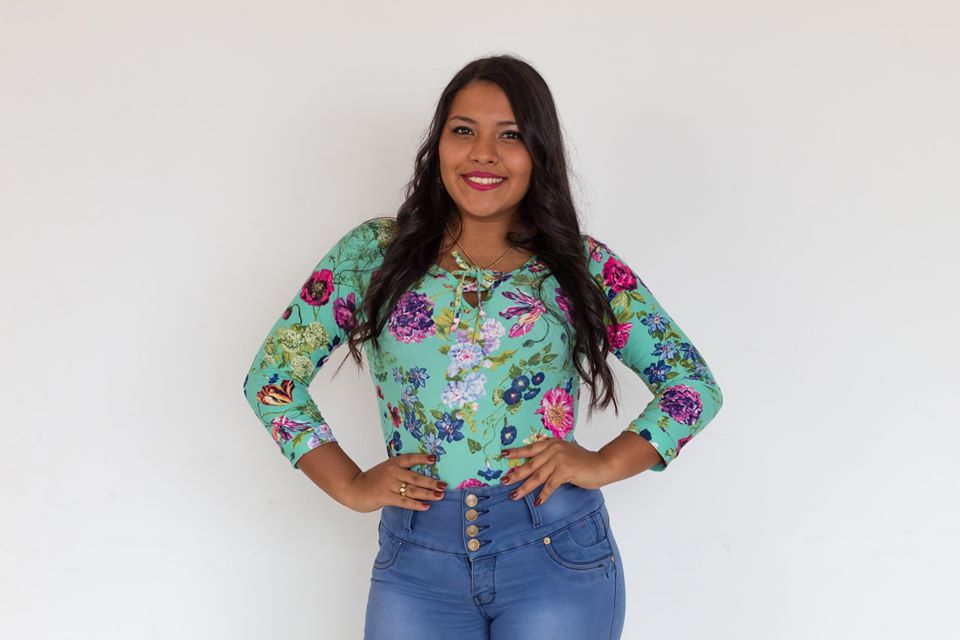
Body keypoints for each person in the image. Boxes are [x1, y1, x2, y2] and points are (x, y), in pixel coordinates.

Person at [242, 54, 723, 639]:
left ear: (539, 152)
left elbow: (691, 386)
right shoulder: (372, 255)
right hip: (416, 564)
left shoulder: (580, 265)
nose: (484, 153)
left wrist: (602, 463)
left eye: (510, 135)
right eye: (464, 130)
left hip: (556, 556)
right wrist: (349, 484)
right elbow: (273, 379)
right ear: (438, 143)